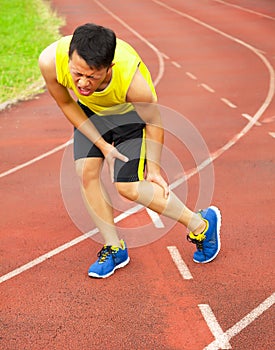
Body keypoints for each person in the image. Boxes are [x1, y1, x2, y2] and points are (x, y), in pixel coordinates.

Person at [39, 23, 221, 278]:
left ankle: (201, 225)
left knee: (129, 187)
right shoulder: (50, 61)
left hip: (129, 115)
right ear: (69, 58)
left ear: (108, 69)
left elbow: (154, 121)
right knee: (86, 172)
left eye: (91, 76)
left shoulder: (133, 83)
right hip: (90, 113)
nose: (82, 82)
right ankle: (114, 247)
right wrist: (102, 145)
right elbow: (67, 102)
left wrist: (154, 169)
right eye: (77, 73)